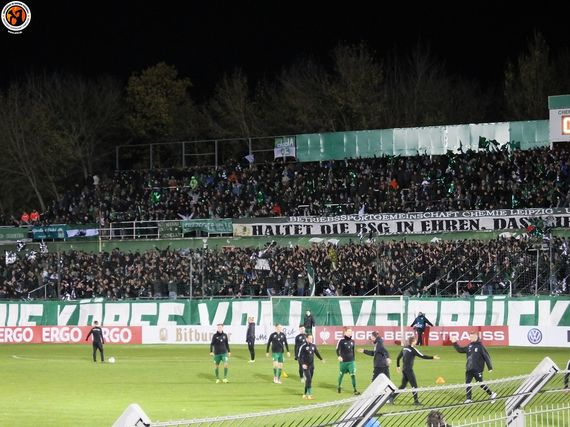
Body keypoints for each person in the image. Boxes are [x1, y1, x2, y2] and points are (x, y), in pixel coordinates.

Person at [393, 335, 440, 405]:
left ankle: (391, 397)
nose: (416, 341)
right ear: (413, 342)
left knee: (403, 385)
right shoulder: (413, 350)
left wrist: (398, 366)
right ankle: (416, 402)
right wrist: (432, 357)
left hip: (404, 369)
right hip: (409, 370)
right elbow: (422, 356)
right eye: (415, 340)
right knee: (414, 386)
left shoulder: (404, 348)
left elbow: (398, 357)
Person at [451, 331, 496, 403]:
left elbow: (486, 356)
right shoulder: (470, 345)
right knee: (468, 383)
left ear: (476, 337)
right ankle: (469, 399)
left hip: (477, 369)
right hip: (469, 368)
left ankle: (492, 394)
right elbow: (460, 350)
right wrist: (454, 343)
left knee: (480, 384)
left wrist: (489, 367)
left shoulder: (480, 346)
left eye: (471, 337)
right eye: (470, 337)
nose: (470, 338)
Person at [297, 333, 324, 400]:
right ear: (306, 339)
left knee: (309, 380)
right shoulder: (303, 346)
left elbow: (317, 353)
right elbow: (299, 357)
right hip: (305, 366)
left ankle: (304, 394)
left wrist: (321, 359)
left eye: (312, 338)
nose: (311, 339)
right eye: (309, 338)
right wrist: (303, 364)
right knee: (308, 379)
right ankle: (309, 395)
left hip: (312, 366)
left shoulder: (313, 346)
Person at [336, 327, 360, 395]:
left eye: (351, 331)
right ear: (345, 332)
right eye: (349, 331)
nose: (350, 332)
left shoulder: (352, 341)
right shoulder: (341, 341)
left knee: (353, 375)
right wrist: (339, 356)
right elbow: (337, 349)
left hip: (351, 362)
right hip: (343, 362)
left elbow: (353, 351)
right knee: (341, 375)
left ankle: (355, 390)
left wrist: (353, 359)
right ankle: (339, 386)